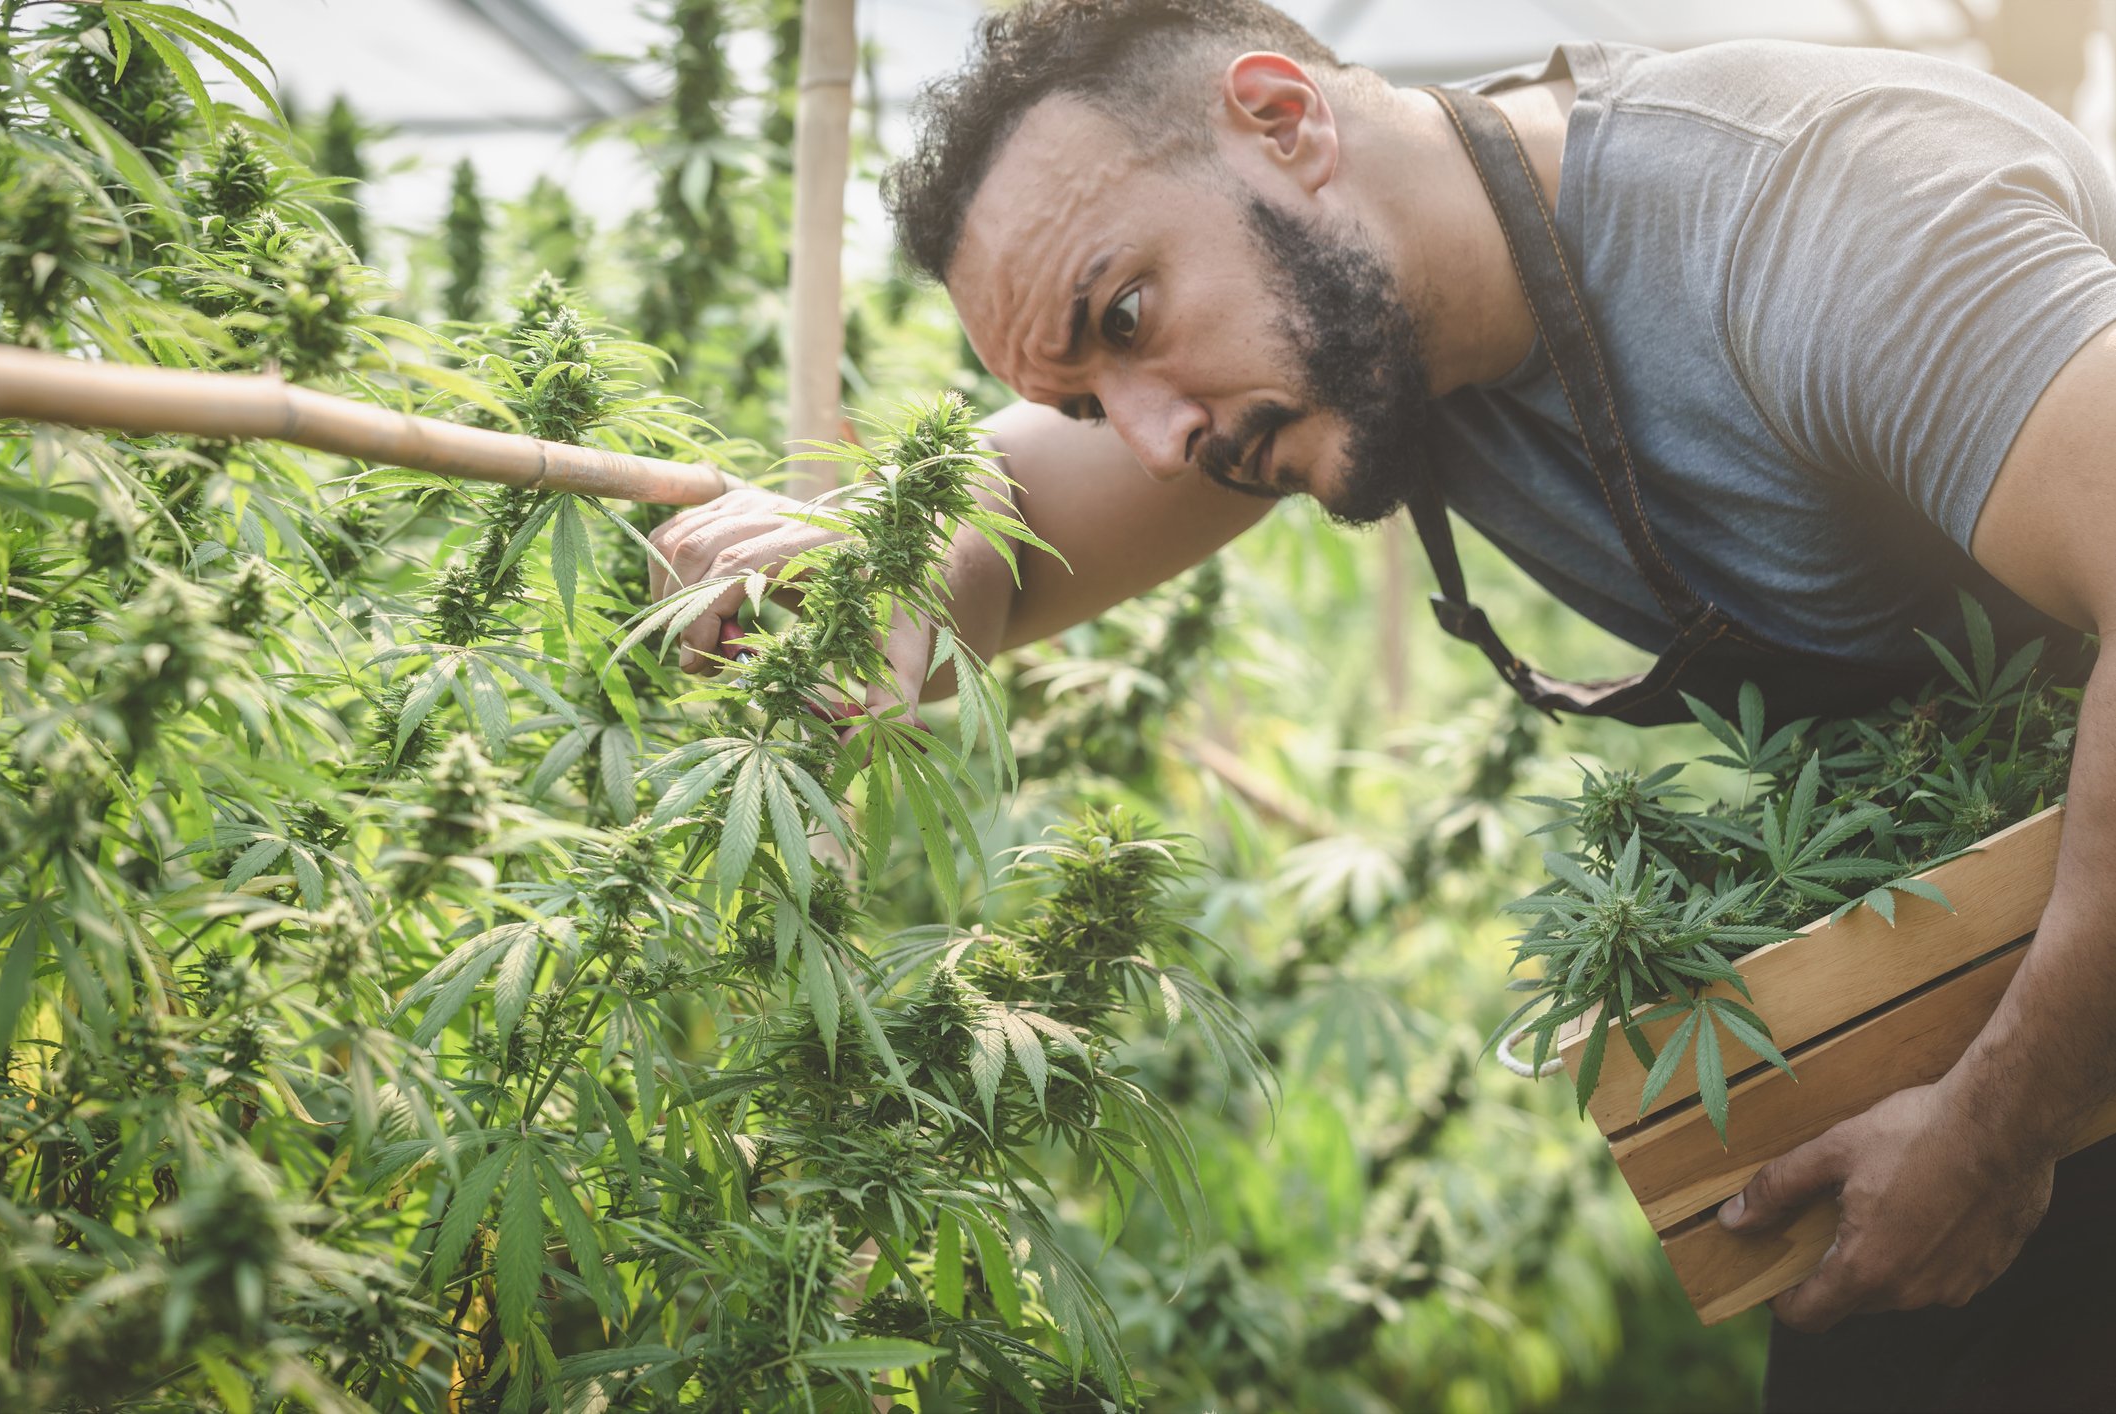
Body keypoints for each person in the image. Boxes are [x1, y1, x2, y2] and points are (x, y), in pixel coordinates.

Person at [645, 2, 2116, 1405]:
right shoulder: (1376, 322)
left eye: (1130, 311)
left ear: (1283, 123)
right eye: (1096, 395)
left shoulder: (1821, 211)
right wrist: (876, 571)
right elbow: (1012, 520)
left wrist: (2000, 1125)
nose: (1152, 446)